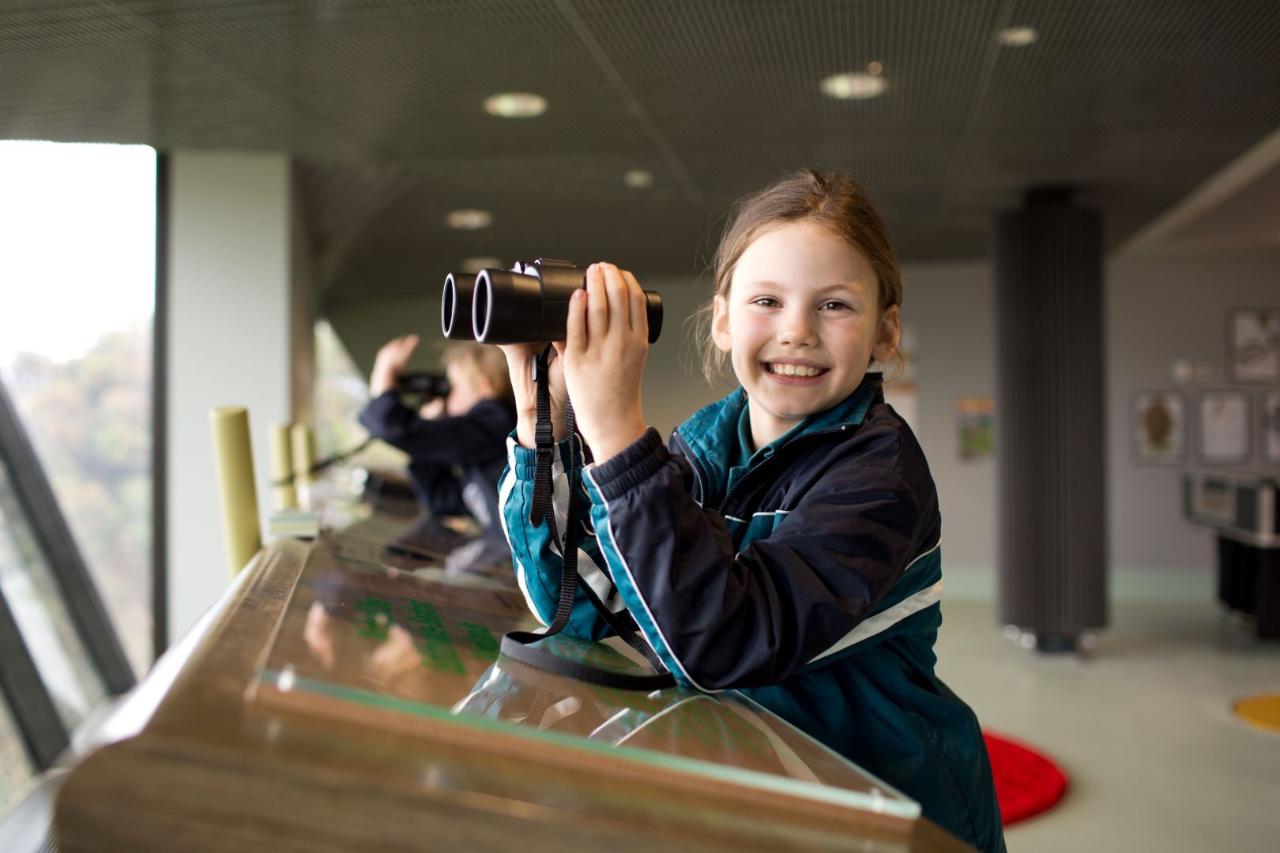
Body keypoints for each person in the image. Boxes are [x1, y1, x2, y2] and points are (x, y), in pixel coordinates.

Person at [495, 170, 1005, 850]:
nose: (796, 331)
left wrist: (616, 431)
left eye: (834, 305)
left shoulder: (881, 474)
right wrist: (542, 420)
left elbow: (722, 643)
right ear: (723, 320)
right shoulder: (706, 442)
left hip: (879, 807)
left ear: (886, 333)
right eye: (767, 300)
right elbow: (592, 608)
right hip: (761, 789)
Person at [358, 336, 516, 572]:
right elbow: (442, 500)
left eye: (453, 387)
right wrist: (429, 433)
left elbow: (391, 427)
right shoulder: (483, 446)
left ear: (485, 386)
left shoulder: (496, 421)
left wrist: (385, 373)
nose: (446, 397)